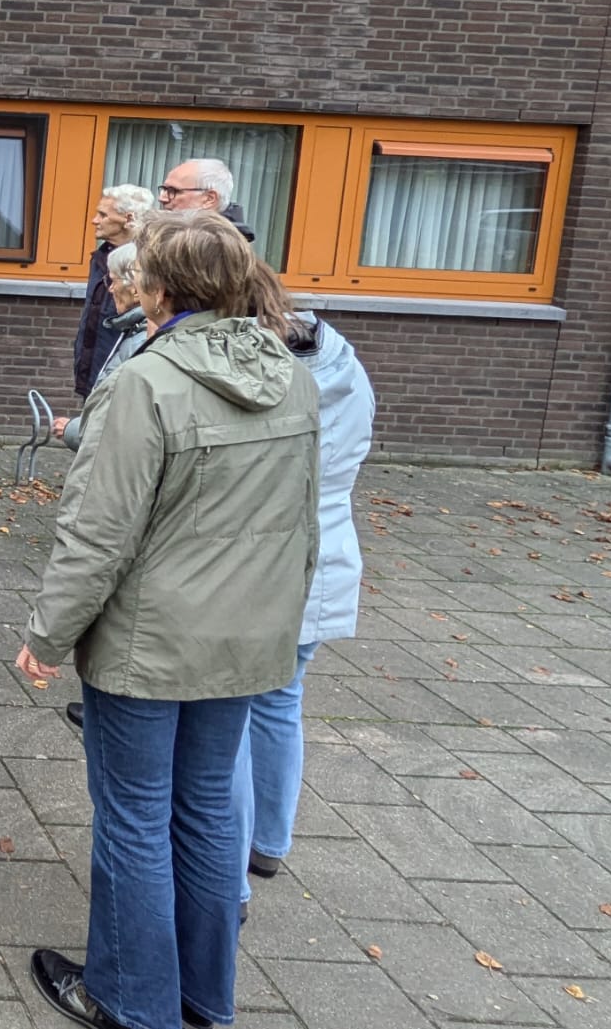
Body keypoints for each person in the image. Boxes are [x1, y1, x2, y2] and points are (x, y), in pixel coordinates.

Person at [18, 211, 319, 1029]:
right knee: (210, 809)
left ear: (157, 289)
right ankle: (202, 997)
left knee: (136, 816)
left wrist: (47, 634)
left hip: (151, 644)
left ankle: (130, 999)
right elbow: (304, 524)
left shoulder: (144, 381)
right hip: (249, 639)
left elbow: (97, 531)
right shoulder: (293, 374)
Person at [234, 267, 376, 906]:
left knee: (227, 720)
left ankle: (226, 865)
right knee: (281, 704)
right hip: (328, 560)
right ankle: (270, 841)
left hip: (263, 569)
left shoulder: (264, 383)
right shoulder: (345, 363)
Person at [58, 242, 145, 453]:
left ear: (134, 288)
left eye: (113, 280)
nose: (110, 288)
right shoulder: (132, 330)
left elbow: (123, 426)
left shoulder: (142, 341)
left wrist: (72, 430)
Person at [74, 185, 153, 400]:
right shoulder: (100, 258)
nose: (94, 220)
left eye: (103, 215)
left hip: (122, 379)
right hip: (95, 372)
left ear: (128, 218)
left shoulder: (146, 263)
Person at [157, 157, 256, 242]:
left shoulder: (216, 250)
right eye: (164, 189)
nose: (162, 198)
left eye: (173, 191)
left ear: (209, 199)